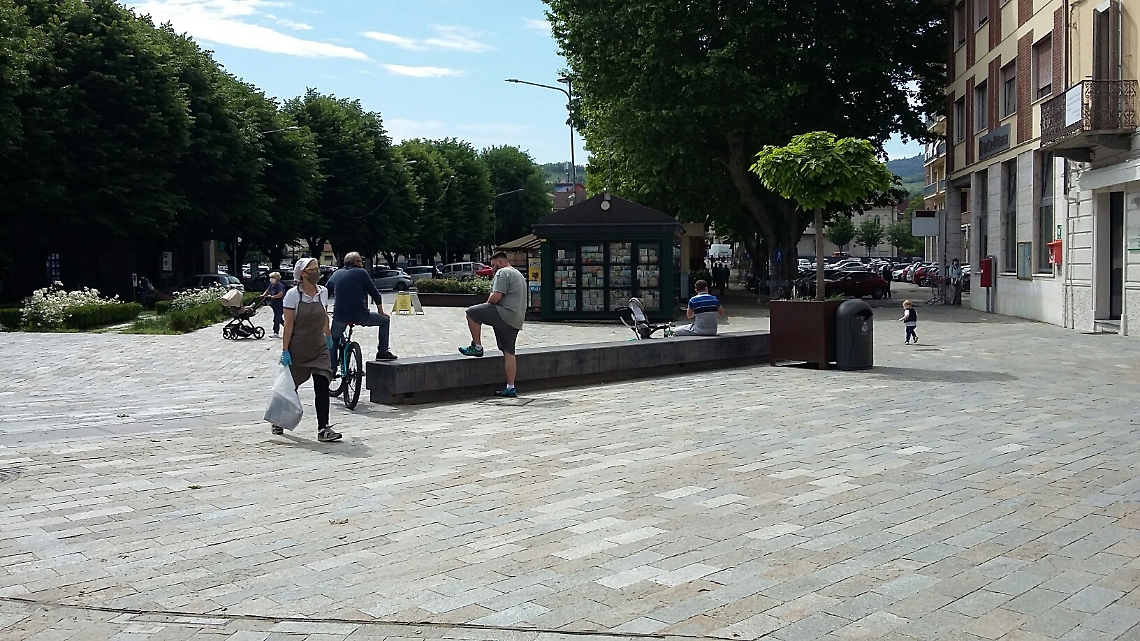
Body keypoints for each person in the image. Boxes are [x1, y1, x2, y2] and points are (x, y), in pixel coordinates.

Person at [278, 258, 340, 442]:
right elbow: (288, 325)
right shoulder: (292, 295)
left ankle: (323, 428)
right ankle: (278, 419)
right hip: (298, 347)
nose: (317, 272)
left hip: (319, 346)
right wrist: (285, 350)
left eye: (317, 268)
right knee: (289, 388)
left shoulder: (323, 292)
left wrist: (328, 337)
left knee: (322, 384)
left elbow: (324, 318)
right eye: (313, 269)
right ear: (303, 274)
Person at [458, 252, 527, 397]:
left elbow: (496, 296)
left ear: (500, 262)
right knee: (509, 352)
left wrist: (486, 307)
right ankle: (510, 387)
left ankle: (477, 347)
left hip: (504, 313)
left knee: (472, 313)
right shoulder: (518, 274)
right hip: (516, 319)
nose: (492, 268)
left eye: (493, 265)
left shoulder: (503, 273)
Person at [326, 252, 397, 363]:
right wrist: (381, 312)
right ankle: (382, 352)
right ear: (356, 262)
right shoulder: (362, 273)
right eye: (361, 261)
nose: (362, 263)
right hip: (360, 315)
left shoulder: (336, 274)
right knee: (385, 321)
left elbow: (326, 292)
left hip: (340, 316)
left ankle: (333, 367)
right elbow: (375, 294)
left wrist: (324, 310)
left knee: (333, 340)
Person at [262, 272, 286, 338]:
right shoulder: (271, 285)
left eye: (273, 278)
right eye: (271, 277)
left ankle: (276, 332)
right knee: (279, 319)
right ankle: (290, 328)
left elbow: (280, 294)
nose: (271, 279)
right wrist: (264, 295)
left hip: (280, 304)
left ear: (277, 278)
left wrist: (272, 296)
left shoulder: (279, 286)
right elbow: (267, 291)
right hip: (274, 304)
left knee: (276, 318)